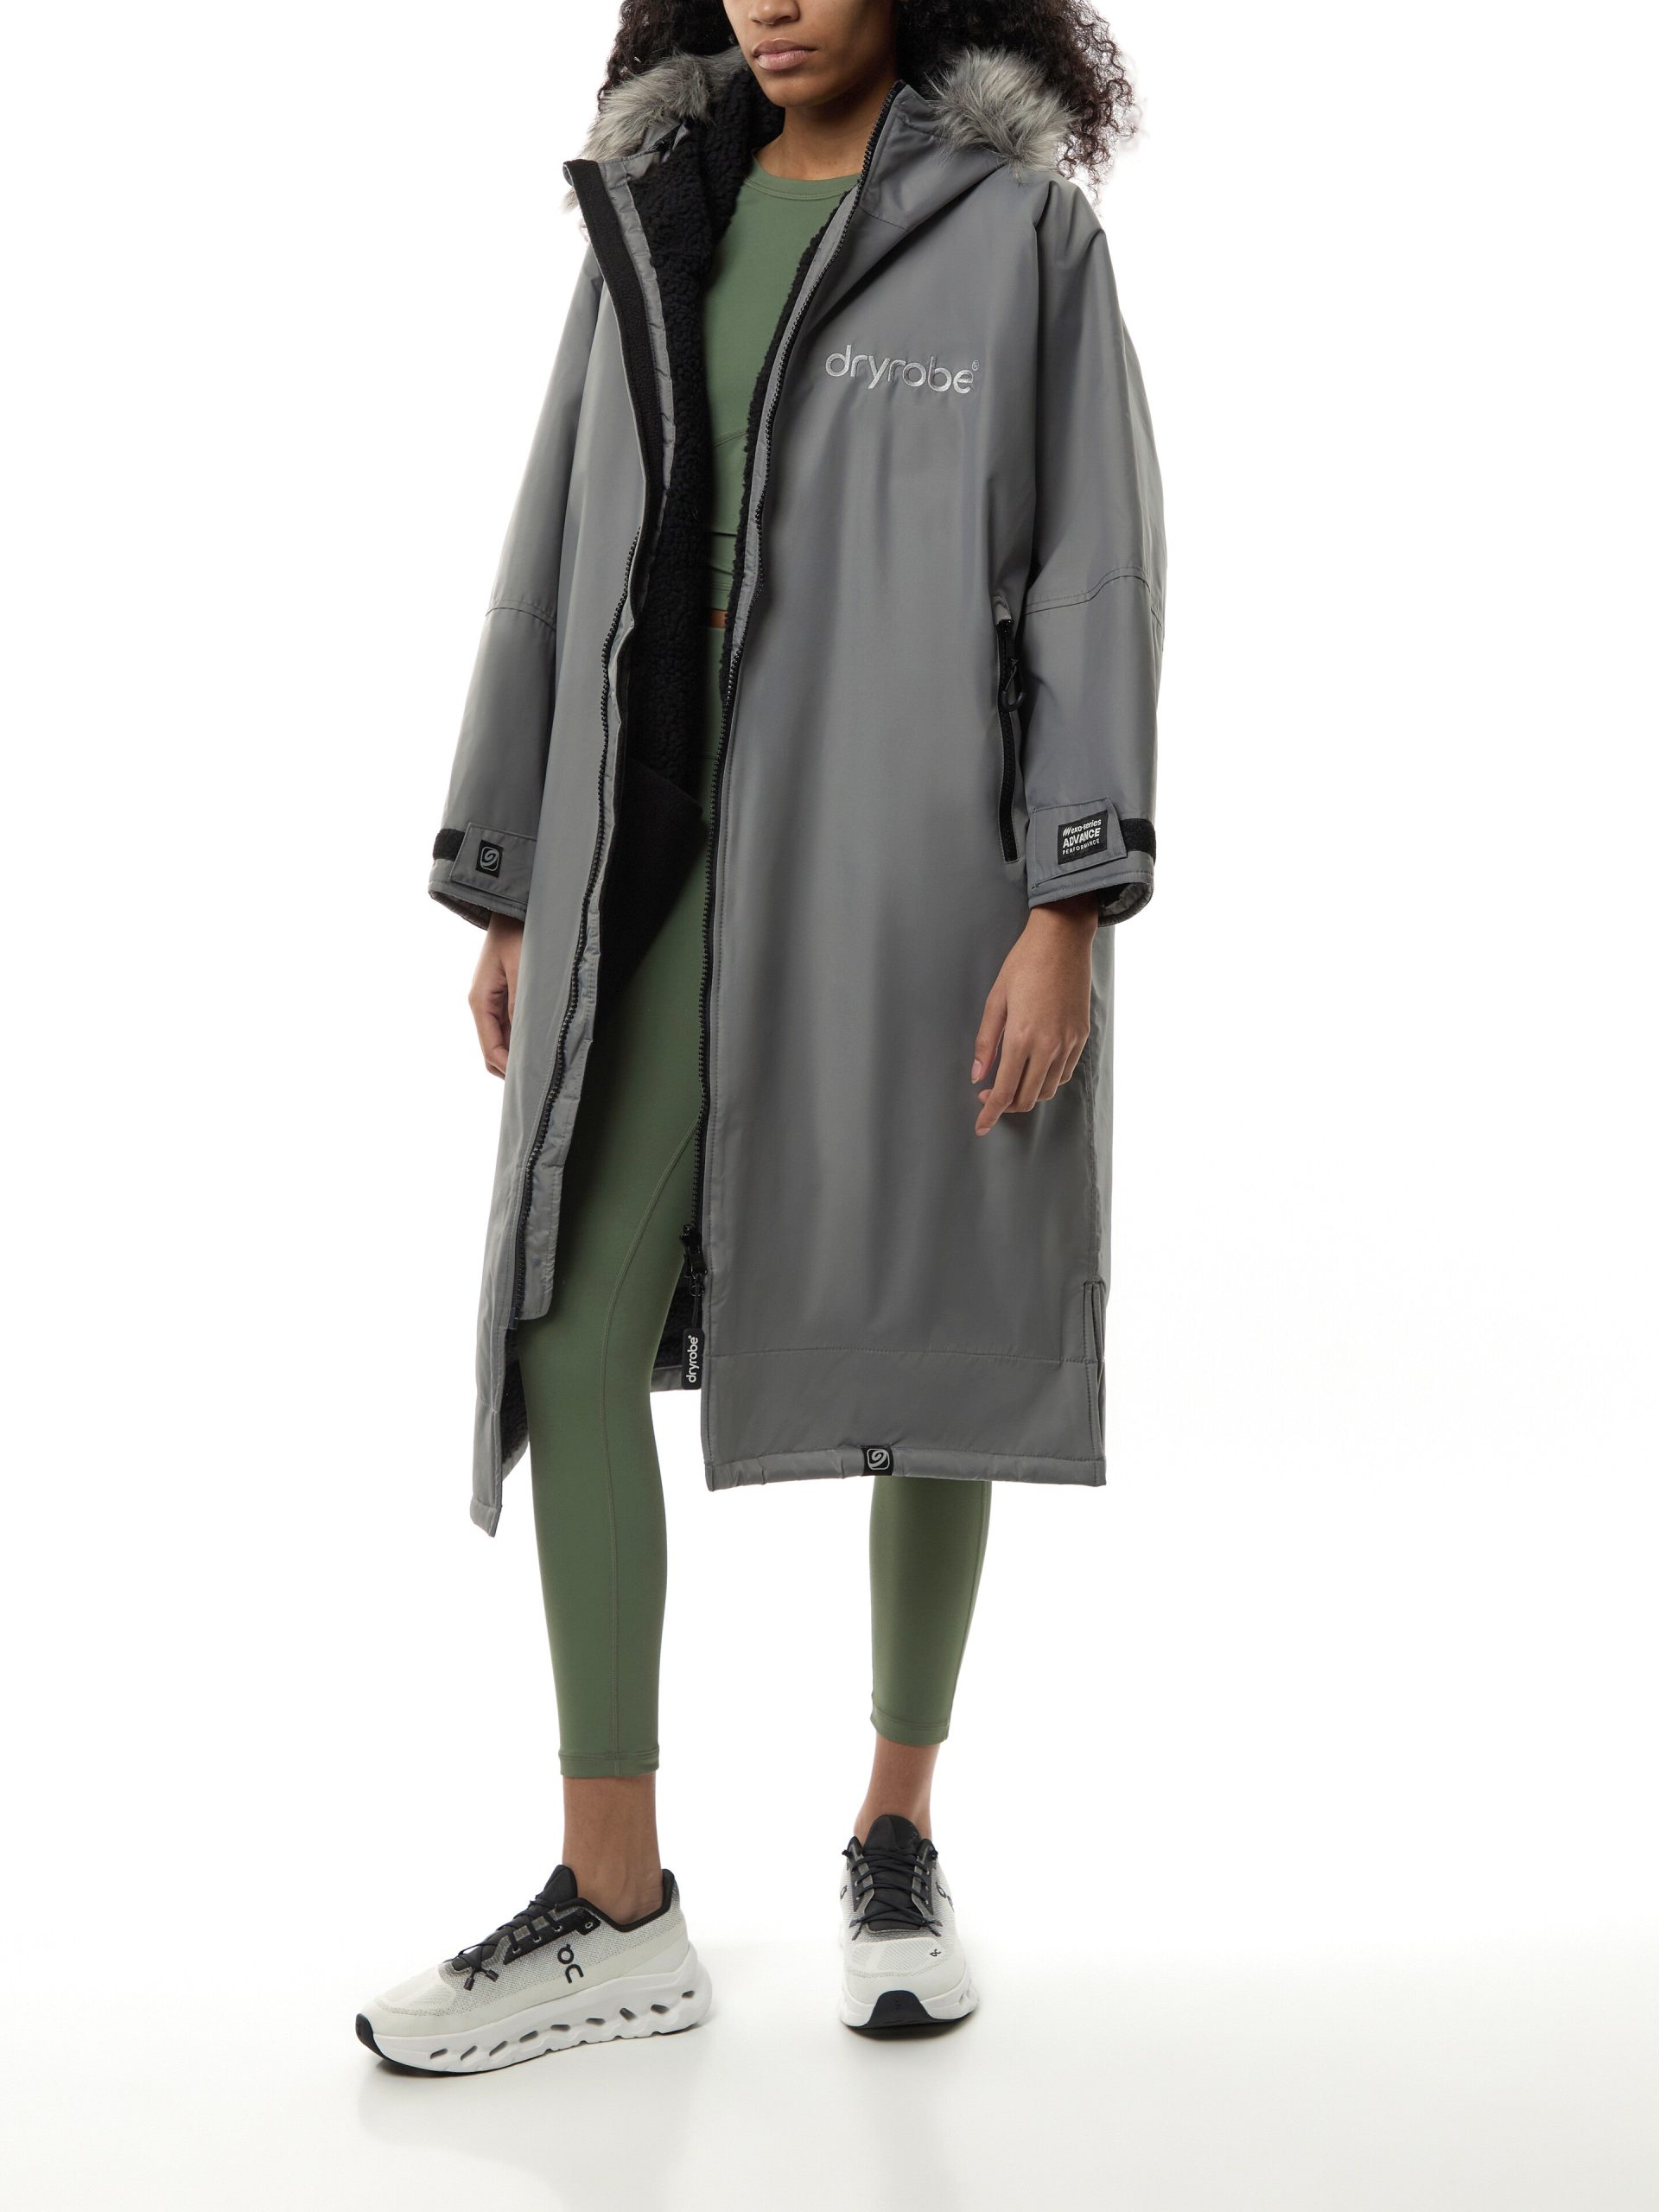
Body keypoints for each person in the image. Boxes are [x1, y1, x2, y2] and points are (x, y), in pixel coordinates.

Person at [358, 0, 1161, 2070]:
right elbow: (549, 547)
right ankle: (615, 1896)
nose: (775, 1)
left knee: (943, 1335)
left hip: (921, 876)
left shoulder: (1017, 233)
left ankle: (896, 1835)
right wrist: (511, 869)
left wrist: (1067, 902)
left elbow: (1093, 574)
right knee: (565, 1330)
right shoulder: (653, 210)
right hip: (653, 859)